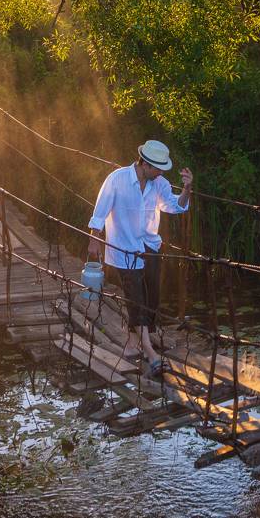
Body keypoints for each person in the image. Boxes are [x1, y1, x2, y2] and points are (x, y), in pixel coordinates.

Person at [86, 139, 193, 375]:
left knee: (152, 296)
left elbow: (176, 206)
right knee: (135, 297)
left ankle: (133, 344)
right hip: (124, 248)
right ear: (144, 163)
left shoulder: (159, 183)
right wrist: (94, 238)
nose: (160, 172)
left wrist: (186, 189)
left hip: (150, 246)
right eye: (157, 168)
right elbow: (100, 209)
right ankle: (149, 351)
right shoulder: (117, 179)